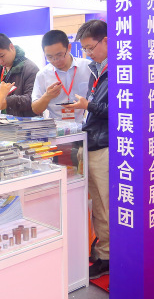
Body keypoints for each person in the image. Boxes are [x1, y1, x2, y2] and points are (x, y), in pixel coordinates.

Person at [64, 20, 109, 279]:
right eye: (85, 49)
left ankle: (107, 255)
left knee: (105, 204)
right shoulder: (97, 69)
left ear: (106, 41)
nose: (88, 54)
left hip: (104, 144)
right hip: (92, 140)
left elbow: (121, 111)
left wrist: (88, 106)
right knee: (98, 204)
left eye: (91, 48)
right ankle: (103, 249)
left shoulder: (121, 71)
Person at [31, 30, 92, 122]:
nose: (55, 60)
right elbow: (36, 109)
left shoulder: (88, 67)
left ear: (69, 48)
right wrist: (47, 96)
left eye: (59, 55)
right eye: (50, 57)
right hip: (56, 127)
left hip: (85, 126)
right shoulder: (42, 75)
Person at [0, 33, 39, 117]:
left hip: (25, 122)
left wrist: (7, 102)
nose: (0, 61)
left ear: (11, 47)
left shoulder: (30, 68)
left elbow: (33, 100)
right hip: (3, 121)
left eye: (2, 56)